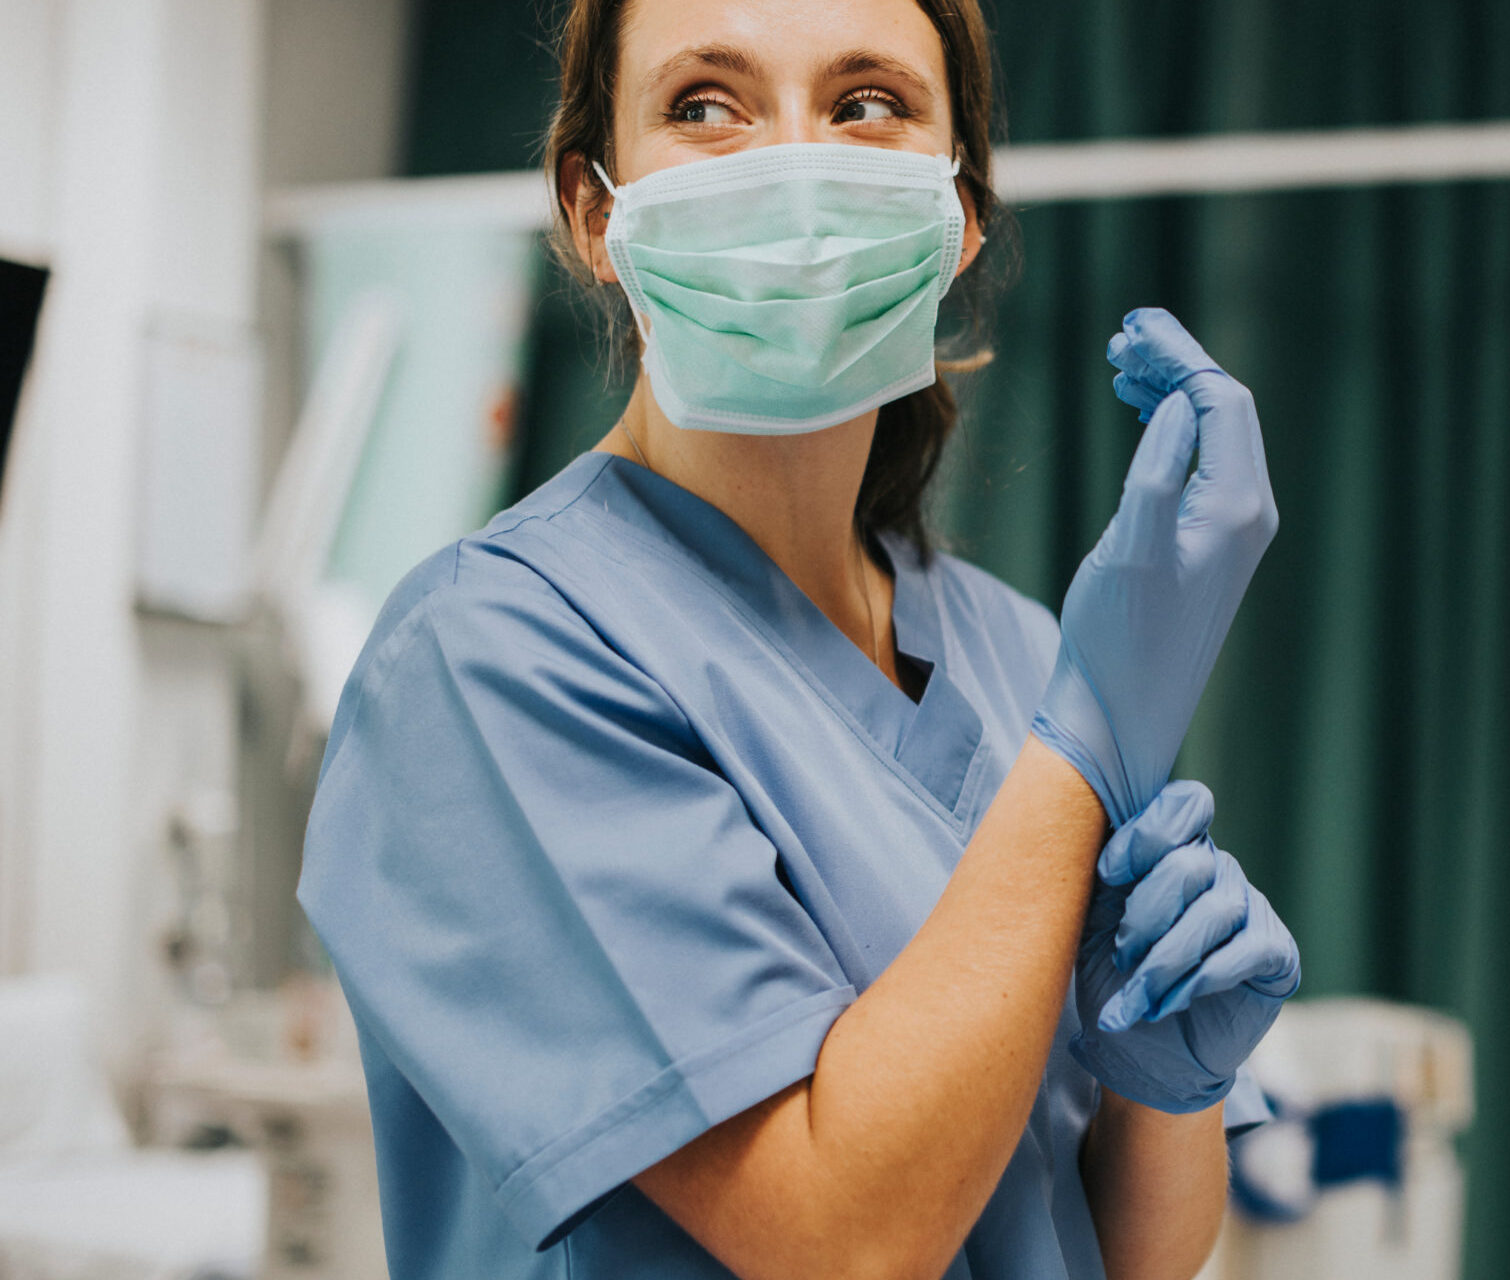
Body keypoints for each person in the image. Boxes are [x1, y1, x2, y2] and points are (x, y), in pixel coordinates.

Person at [294, 0, 1299, 1276]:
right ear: (593, 214)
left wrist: (1167, 1083)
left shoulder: (1019, 651)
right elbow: (845, 1240)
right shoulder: (487, 655)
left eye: (866, 103)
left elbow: (1126, 1251)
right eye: (705, 104)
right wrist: (1089, 738)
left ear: (960, 212)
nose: (791, 169)